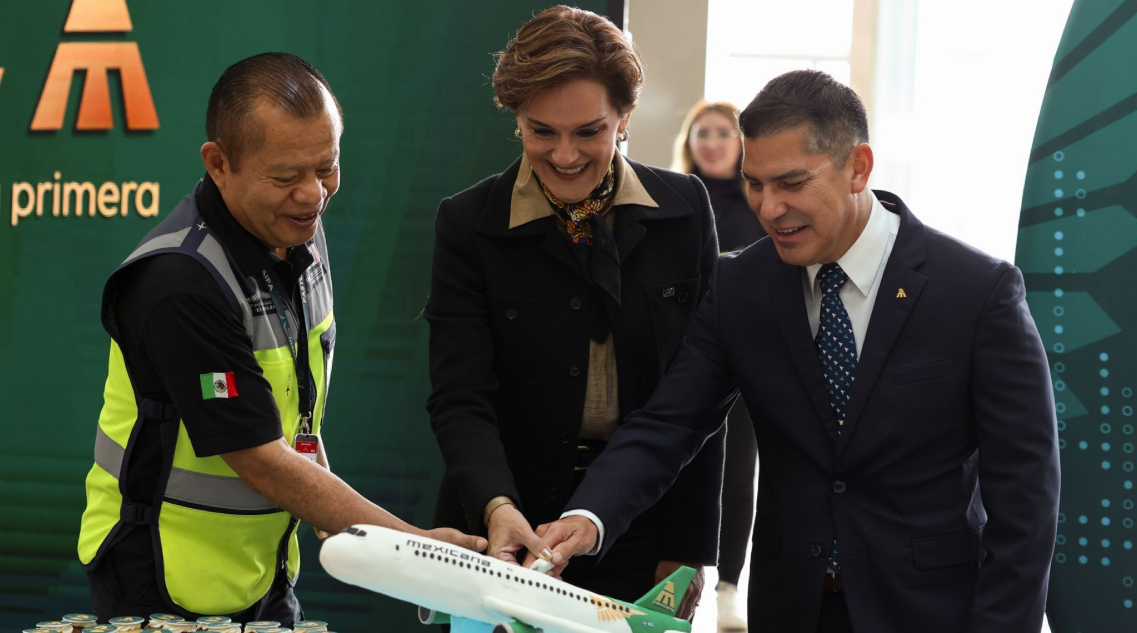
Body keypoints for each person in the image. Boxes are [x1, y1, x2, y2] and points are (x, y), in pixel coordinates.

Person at [531, 70, 1061, 633]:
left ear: (858, 167)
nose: (768, 208)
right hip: (791, 609)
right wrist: (588, 516)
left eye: (790, 183)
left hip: (929, 611)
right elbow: (670, 422)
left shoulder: (976, 293)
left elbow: (1026, 499)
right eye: (755, 184)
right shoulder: (740, 287)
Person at [77, 53, 484, 624]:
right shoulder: (178, 282)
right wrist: (414, 549)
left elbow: (296, 412)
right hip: (159, 580)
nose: (313, 195)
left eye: (327, 167)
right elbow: (260, 460)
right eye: (287, 177)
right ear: (219, 164)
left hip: (264, 572)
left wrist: (338, 517)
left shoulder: (297, 232)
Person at [424, 5, 723, 619]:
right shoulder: (468, 224)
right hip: (504, 527)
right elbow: (460, 397)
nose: (564, 155)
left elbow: (700, 394)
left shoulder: (685, 210)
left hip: (644, 521)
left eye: (589, 132)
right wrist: (496, 506)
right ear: (515, 118)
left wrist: (689, 547)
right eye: (542, 131)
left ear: (625, 118)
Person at [672, 99, 765, 632]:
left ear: (741, 143)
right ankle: (680, 576)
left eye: (723, 132)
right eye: (701, 132)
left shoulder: (760, 203)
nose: (711, 142)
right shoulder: (674, 202)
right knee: (680, 464)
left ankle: (729, 587)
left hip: (749, 356)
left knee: (738, 470)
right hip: (687, 357)